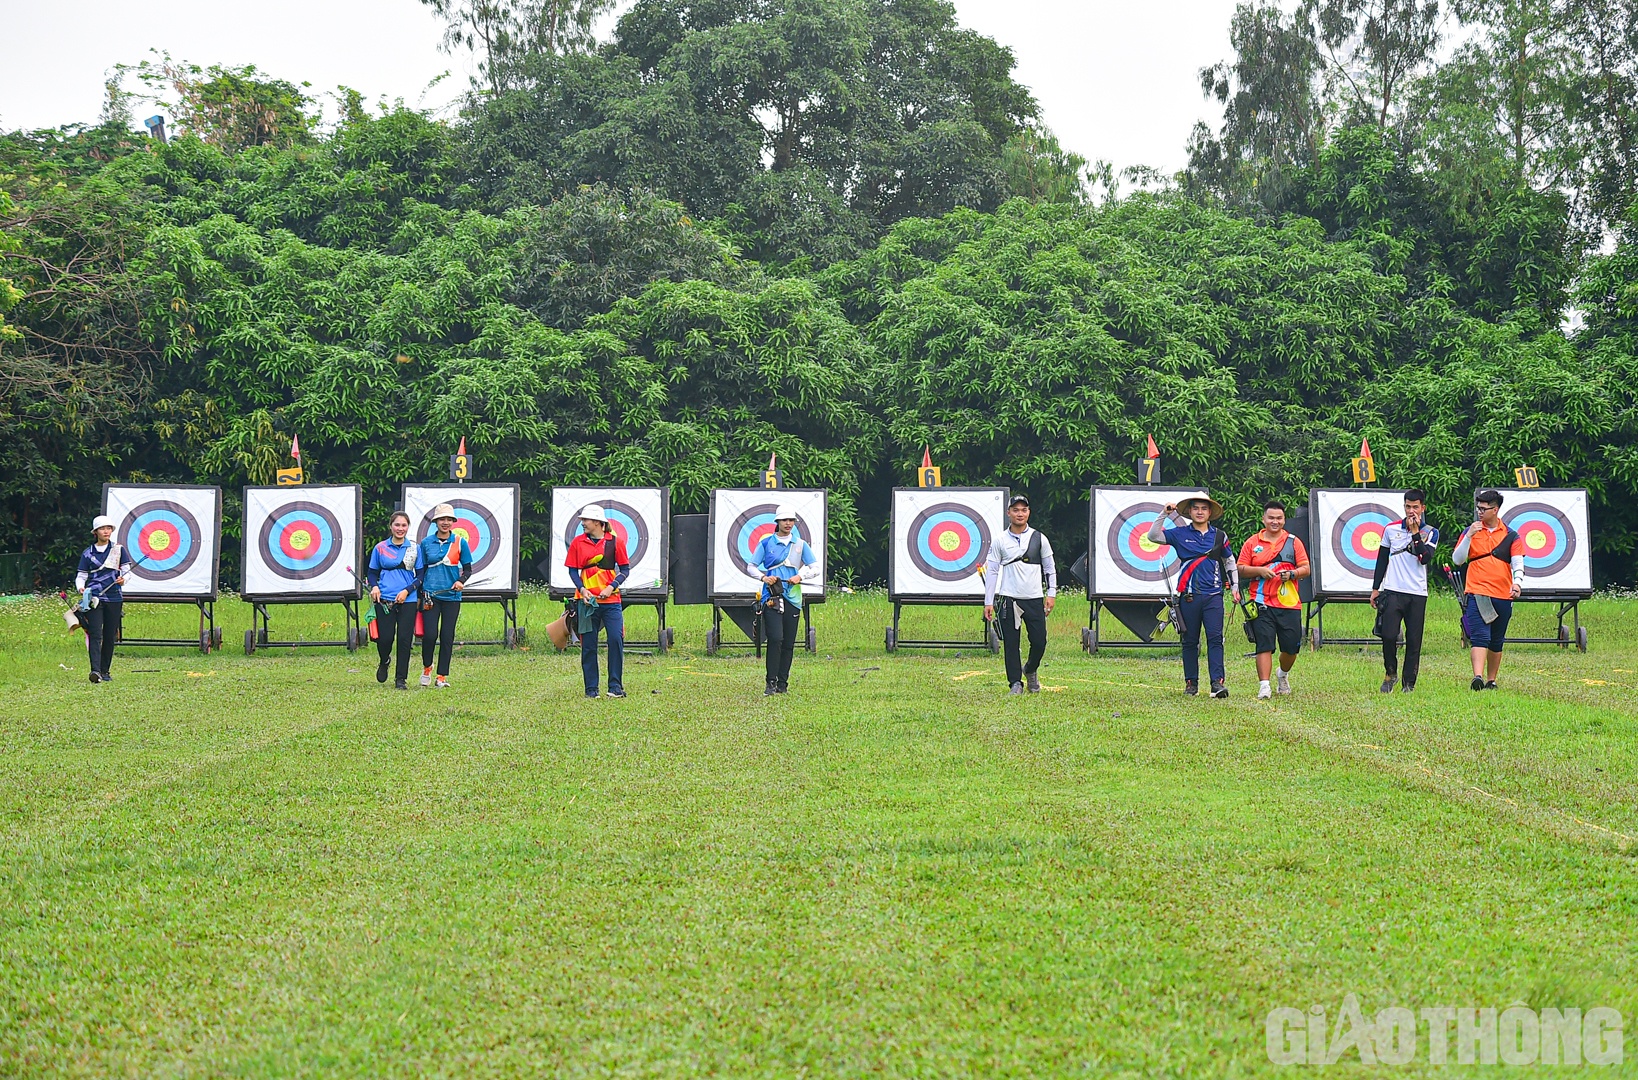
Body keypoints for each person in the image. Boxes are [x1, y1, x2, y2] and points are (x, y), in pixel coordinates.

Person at [1148, 493, 1240, 698]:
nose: (1200, 512)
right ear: (1189, 512)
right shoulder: (1179, 533)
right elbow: (1152, 536)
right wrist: (1164, 513)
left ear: (1209, 513)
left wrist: (1235, 587)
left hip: (1213, 595)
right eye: (1196, 508)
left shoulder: (1219, 536)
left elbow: (1229, 561)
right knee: (1189, 640)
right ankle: (1191, 684)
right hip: (1188, 597)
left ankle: (1217, 683)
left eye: (1204, 509)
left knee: (1215, 638)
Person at [983, 494, 1057, 694]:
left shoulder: (1039, 539)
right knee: (1011, 642)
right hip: (1009, 598)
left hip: (1034, 598)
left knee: (1040, 641)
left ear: (1029, 512)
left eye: (1024, 510)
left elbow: (1049, 568)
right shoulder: (999, 540)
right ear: (1008, 513)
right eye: (1015, 510)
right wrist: (988, 601)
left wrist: (1051, 594)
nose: (1020, 513)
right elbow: (992, 571)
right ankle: (1015, 682)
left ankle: (1031, 669)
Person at [1238, 500, 1310, 699]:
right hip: (1260, 601)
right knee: (1264, 644)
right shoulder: (1252, 542)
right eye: (1271, 518)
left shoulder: (1294, 542)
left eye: (1279, 518)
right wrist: (1259, 570)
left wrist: (1292, 574)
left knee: (1291, 646)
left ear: (1284, 520)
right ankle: (1264, 686)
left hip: (1288, 603)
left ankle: (1282, 674)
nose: (1275, 522)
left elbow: (1306, 568)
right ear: (1263, 519)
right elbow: (1240, 568)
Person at [1453, 489, 1523, 691]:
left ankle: (1491, 680)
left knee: (1496, 639)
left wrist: (1517, 582)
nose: (1480, 513)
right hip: (1478, 591)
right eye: (1478, 508)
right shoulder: (1470, 531)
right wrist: (1469, 536)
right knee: (1480, 636)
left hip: (1503, 593)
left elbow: (1518, 562)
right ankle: (1478, 677)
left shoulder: (1511, 535)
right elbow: (1457, 560)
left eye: (1484, 509)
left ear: (1496, 509)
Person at [1370, 489, 1439, 693]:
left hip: (1417, 592)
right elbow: (1382, 559)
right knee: (1389, 635)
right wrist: (1376, 588)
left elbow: (1425, 558)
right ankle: (1390, 672)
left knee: (1414, 640)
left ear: (1423, 508)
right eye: (1408, 507)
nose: (1411, 511)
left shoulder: (1431, 532)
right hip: (1392, 590)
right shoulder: (1391, 529)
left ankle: (1409, 683)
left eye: (1415, 507)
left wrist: (1416, 533)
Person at [749, 504, 820, 696]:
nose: (788, 524)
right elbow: (751, 566)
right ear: (777, 522)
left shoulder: (800, 544)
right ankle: (770, 683)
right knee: (775, 638)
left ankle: (782, 684)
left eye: (791, 520)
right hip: (772, 596)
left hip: (793, 597)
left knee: (788, 642)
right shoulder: (766, 543)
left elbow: (815, 567)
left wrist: (800, 577)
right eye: (784, 520)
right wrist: (764, 578)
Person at [565, 505, 630, 699]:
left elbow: (625, 569)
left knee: (616, 640)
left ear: (598, 523)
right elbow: (572, 571)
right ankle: (591, 689)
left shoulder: (615, 543)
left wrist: (611, 586)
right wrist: (582, 589)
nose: (583, 523)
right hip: (586, 603)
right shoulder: (578, 542)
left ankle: (615, 687)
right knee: (589, 645)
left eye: (586, 520)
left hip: (611, 601)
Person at [366, 510, 423, 690]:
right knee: (385, 638)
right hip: (384, 599)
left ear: (408, 527)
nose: (400, 528)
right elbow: (372, 572)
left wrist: (407, 591)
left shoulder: (414, 548)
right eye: (397, 525)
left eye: (404, 525)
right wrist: (374, 586)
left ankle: (401, 679)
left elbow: (420, 575)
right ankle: (385, 660)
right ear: (391, 526)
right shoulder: (380, 548)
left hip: (408, 599)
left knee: (405, 639)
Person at [417, 503, 471, 689]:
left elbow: (468, 569)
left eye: (449, 519)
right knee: (430, 635)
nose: (445, 522)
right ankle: (427, 667)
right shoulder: (425, 543)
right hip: (430, 595)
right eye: (442, 519)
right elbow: (421, 569)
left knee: (447, 636)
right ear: (436, 522)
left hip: (452, 596)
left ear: (453, 522)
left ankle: (441, 676)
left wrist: (461, 581)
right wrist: (420, 590)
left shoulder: (460, 542)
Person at [74, 515, 132, 684]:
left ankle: (105, 671)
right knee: (95, 634)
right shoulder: (88, 553)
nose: (106, 531)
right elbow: (81, 575)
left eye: (109, 528)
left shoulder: (118, 550)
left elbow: (127, 570)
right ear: (96, 532)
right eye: (102, 528)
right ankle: (95, 671)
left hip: (114, 597)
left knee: (109, 635)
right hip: (94, 598)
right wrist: (81, 588)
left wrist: (123, 579)